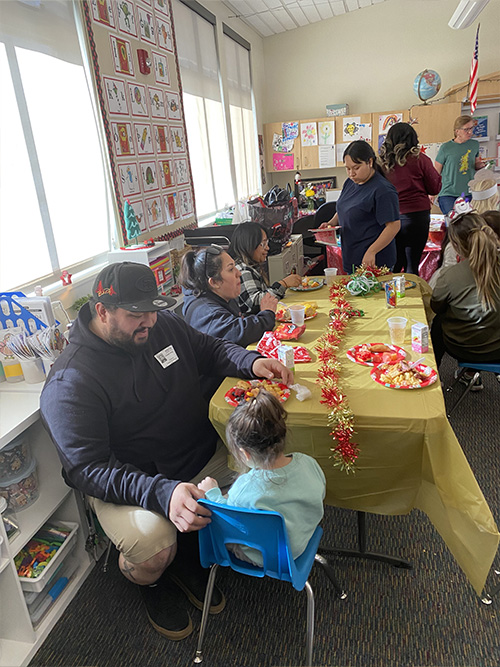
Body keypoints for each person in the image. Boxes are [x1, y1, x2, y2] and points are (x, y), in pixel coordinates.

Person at [40, 261, 292, 641]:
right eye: (135, 315)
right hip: (132, 482)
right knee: (155, 549)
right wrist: (162, 491)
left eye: (152, 310)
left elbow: (209, 349)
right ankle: (152, 582)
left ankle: (188, 551)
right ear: (102, 311)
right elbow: (87, 470)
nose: (150, 322)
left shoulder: (161, 325)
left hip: (196, 454)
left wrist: (252, 361)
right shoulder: (70, 381)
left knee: (270, 481)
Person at [197, 390, 326, 566]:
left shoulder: (245, 489)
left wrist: (211, 493)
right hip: (304, 538)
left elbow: (227, 520)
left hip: (267, 557)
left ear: (245, 453)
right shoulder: (307, 462)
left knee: (216, 512)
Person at [430, 200, 500, 390]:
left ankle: (433, 376)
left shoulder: (450, 275)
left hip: (464, 348)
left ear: (456, 246)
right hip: (497, 348)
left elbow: (436, 306)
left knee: (438, 323)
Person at [319, 140, 400, 273]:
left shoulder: (383, 190)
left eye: (356, 168)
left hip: (374, 260)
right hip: (352, 256)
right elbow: (343, 207)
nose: (351, 173)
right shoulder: (350, 183)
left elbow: (393, 226)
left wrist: (372, 251)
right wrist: (330, 224)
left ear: (370, 162)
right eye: (348, 168)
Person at [180, 244, 277, 347]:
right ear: (214, 282)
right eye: (231, 269)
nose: (239, 273)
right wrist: (267, 314)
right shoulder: (206, 312)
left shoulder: (222, 296)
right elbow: (240, 332)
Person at [379, 122, 442, 275]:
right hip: (417, 217)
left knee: (393, 264)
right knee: (412, 265)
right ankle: (412, 297)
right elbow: (435, 188)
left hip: (390, 217)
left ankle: (389, 296)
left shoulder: (382, 163)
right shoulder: (421, 159)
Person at [428, 171, 499, 289]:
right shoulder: (494, 223)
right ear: (496, 200)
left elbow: (448, 266)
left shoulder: (462, 224)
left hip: (457, 288)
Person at [229, 221, 302, 315]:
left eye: (267, 243)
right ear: (249, 245)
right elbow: (255, 303)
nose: (267, 248)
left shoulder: (250, 265)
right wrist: (283, 284)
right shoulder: (243, 270)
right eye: (263, 244)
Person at [434, 115, 483, 216]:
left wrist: (482, 165)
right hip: (448, 192)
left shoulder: (474, 145)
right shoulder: (446, 147)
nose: (470, 132)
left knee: (468, 223)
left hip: (468, 191)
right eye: (466, 129)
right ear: (457, 131)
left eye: (471, 128)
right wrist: (432, 193)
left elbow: (476, 164)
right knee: (453, 223)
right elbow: (436, 171)